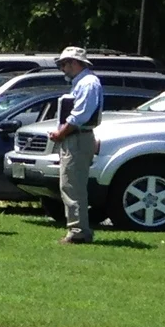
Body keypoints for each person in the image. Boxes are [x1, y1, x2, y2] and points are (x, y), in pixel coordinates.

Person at [53, 46, 104, 244]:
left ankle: (78, 232)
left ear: (75, 63)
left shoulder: (88, 83)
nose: (62, 68)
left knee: (73, 186)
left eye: (64, 64)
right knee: (70, 185)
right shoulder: (82, 83)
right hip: (76, 138)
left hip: (78, 138)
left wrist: (60, 133)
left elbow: (79, 116)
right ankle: (78, 229)